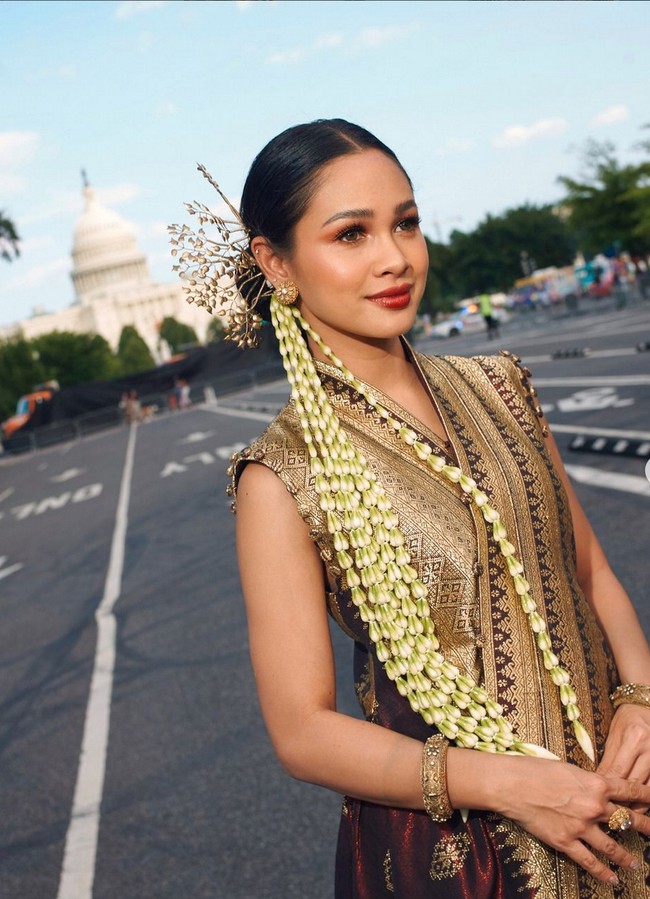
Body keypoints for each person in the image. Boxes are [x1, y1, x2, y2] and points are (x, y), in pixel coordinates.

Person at [171, 119, 650, 897]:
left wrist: (641, 701)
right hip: (469, 852)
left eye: (406, 222)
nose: (394, 257)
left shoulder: (502, 385)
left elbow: (589, 572)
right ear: (275, 261)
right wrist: (504, 783)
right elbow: (302, 730)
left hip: (625, 786)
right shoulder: (281, 475)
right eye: (351, 234)